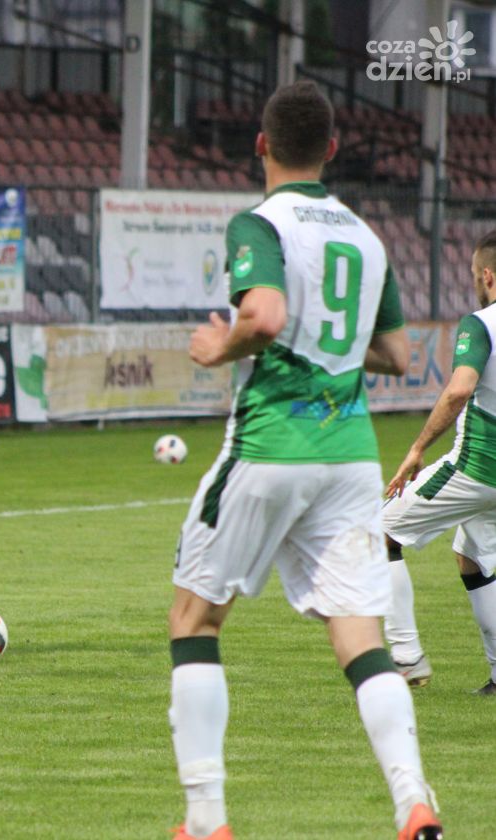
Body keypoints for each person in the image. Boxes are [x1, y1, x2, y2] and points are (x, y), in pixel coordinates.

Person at [168, 81, 441, 840]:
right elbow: (396, 352)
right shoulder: (367, 236)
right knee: (360, 638)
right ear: (332, 149)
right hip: (350, 456)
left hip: (272, 444)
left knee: (195, 617)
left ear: (261, 145)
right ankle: (414, 802)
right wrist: (332, 347)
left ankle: (206, 819)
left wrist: (219, 345)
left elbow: (264, 315)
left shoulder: (261, 222)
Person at [381, 229, 496, 697]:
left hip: (477, 469)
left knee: (376, 534)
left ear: (487, 276)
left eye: (473, 275)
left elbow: (459, 390)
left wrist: (417, 448)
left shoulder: (481, 324)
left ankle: (405, 655)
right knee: (473, 558)